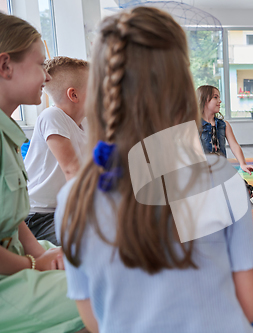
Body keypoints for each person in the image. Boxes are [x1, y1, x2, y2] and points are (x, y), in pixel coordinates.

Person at [54, 7, 253, 333]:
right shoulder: (217, 179)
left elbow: (95, 321)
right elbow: (251, 305)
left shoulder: (71, 200)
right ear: (183, 91)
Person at [0, 12, 83, 333]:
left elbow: (11, 217)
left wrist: (39, 255)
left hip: (18, 256)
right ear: (5, 65)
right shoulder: (52, 118)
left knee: (109, 266)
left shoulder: (8, 134)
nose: (47, 78)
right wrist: (34, 264)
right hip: (9, 274)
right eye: (40, 65)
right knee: (109, 291)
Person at [24, 56, 88, 245]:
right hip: (38, 216)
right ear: (73, 95)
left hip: (64, 210)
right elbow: (72, 171)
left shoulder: (86, 122)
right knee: (92, 242)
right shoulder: (52, 116)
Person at [198, 85, 253, 197]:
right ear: (204, 100)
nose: (219, 101)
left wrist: (243, 164)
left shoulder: (223, 125)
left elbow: (234, 145)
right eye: (215, 97)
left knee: (245, 191)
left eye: (219, 97)